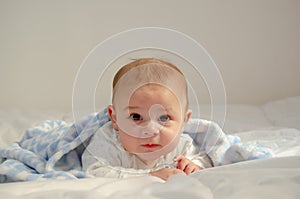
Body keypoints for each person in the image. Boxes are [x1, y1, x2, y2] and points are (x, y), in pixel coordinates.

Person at [82, 58, 212, 180]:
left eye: (164, 118)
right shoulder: (109, 142)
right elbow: (93, 171)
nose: (150, 130)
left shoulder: (183, 145)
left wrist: (193, 166)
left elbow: (205, 160)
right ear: (115, 119)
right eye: (136, 117)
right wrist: (149, 175)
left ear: (184, 120)